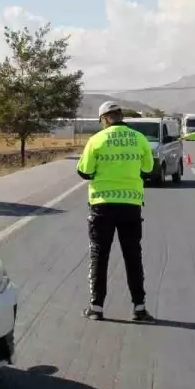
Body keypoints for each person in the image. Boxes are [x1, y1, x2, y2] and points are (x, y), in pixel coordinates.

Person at [76, 101, 156, 323]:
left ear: (104, 119)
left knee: (99, 256)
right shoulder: (139, 139)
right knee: (133, 256)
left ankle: (96, 308)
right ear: (121, 116)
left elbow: (84, 171)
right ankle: (139, 309)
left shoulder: (96, 140)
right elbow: (148, 169)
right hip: (130, 205)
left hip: (102, 205)